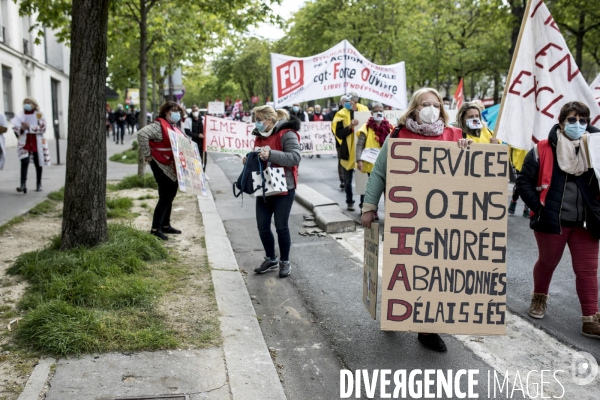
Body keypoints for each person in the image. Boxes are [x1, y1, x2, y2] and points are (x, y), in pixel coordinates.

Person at [361, 87, 470, 352]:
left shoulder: (455, 135)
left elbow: (470, 175)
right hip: (406, 215)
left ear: (443, 108)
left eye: (436, 103)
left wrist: (468, 151)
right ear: (414, 107)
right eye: (425, 104)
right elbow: (379, 173)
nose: (431, 108)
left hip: (442, 218)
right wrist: (369, 206)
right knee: (405, 268)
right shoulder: (398, 135)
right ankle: (398, 310)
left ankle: (427, 329)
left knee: (435, 271)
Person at [516, 101, 600, 339]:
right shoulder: (542, 148)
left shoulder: (596, 149)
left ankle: (591, 318)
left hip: (586, 223)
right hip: (552, 221)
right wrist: (539, 209)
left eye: (582, 120)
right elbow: (524, 182)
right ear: (561, 122)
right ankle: (539, 298)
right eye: (572, 120)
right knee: (547, 262)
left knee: (587, 271)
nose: (577, 124)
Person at [249, 105, 301, 278]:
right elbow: (258, 157)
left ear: (270, 120)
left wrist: (271, 154)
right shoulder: (259, 135)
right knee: (262, 227)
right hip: (264, 186)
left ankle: (284, 261)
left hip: (284, 187)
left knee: (281, 227)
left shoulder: (287, 133)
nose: (256, 123)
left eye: (258, 120)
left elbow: (295, 157)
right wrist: (248, 159)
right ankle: (271, 259)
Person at [137, 101, 185, 241]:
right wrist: (147, 155)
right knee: (165, 196)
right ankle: (155, 228)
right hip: (160, 164)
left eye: (178, 111)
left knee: (170, 195)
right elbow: (141, 134)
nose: (176, 113)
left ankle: (165, 225)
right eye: (173, 110)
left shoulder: (173, 126)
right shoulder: (158, 126)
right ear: (166, 111)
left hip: (170, 165)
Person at [355, 102, 393, 213]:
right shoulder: (366, 128)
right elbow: (359, 145)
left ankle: (389, 211)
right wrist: (359, 160)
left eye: (380, 111)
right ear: (371, 113)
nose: (378, 113)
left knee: (387, 189)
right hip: (370, 163)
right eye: (376, 111)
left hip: (386, 163)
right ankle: (368, 211)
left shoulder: (390, 128)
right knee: (372, 188)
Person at [12, 98, 49, 193]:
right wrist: (22, 128)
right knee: (24, 162)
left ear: (33, 104)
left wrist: (30, 126)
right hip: (25, 142)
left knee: (38, 163)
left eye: (28, 103)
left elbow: (43, 128)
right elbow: (16, 128)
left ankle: (39, 184)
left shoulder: (39, 114)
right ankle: (22, 185)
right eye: (24, 103)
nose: (26, 105)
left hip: (37, 142)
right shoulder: (21, 115)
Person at [333, 95, 362, 210]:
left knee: (363, 181)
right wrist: (350, 126)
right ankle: (349, 201)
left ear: (355, 101)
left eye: (350, 101)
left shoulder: (364, 110)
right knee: (348, 181)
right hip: (347, 152)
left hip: (361, 151)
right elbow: (339, 133)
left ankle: (363, 205)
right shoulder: (340, 114)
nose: (348, 103)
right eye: (346, 101)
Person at [508, 147, 530, 217]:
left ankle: (526, 208)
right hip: (519, 160)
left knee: (530, 186)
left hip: (530, 159)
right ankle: (514, 200)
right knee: (519, 184)